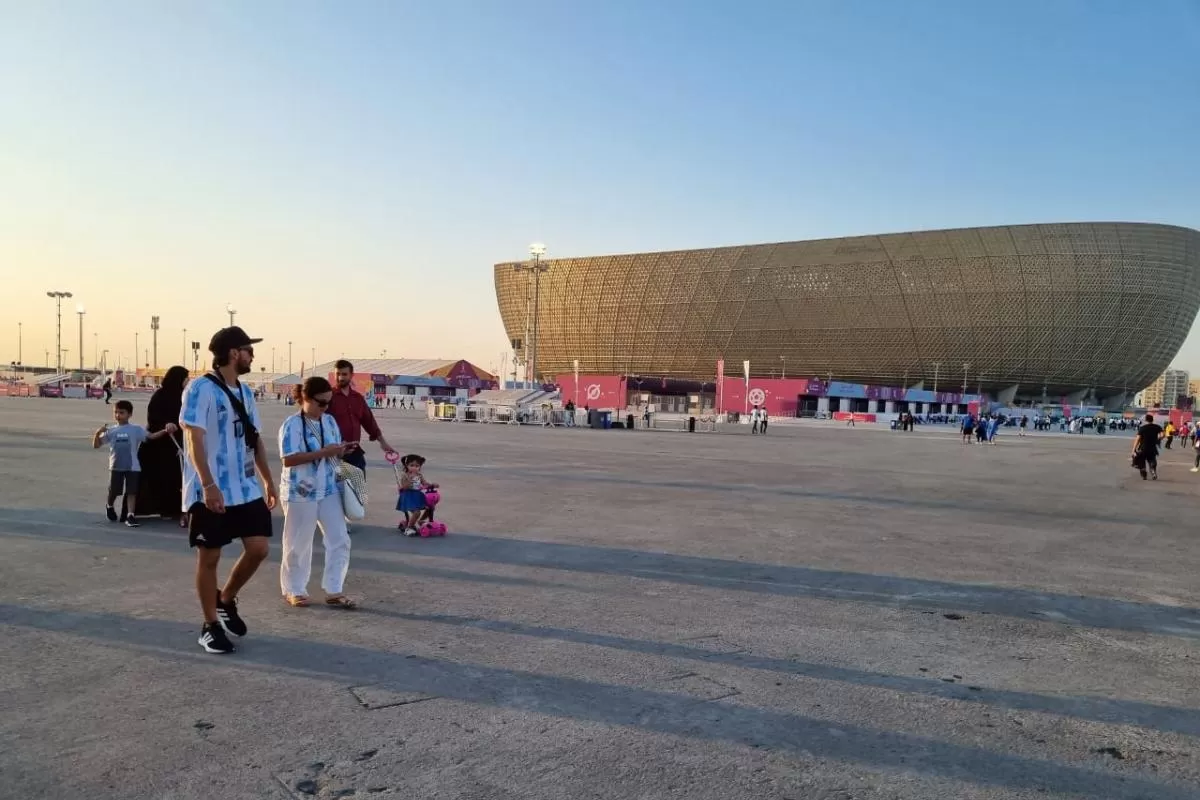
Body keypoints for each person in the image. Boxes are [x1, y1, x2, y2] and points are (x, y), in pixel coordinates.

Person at [181, 326, 278, 655]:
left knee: (259, 548)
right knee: (210, 558)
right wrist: (208, 484)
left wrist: (267, 479)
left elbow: (255, 439)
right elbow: (193, 438)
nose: (253, 356)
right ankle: (209, 625)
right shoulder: (201, 389)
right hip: (213, 488)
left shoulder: (246, 393)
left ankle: (225, 599)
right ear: (234, 353)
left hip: (246, 486)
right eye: (249, 350)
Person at [279, 377, 358, 609]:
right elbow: (288, 459)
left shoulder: (330, 421)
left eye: (328, 403)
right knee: (298, 543)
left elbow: (332, 452)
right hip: (300, 490)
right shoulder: (292, 424)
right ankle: (294, 588)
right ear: (305, 398)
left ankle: (334, 589)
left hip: (329, 487)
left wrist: (341, 451)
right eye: (321, 403)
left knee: (340, 539)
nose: (325, 408)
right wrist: (324, 452)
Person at [92, 399, 177, 527]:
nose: (118, 415)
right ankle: (109, 505)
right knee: (114, 491)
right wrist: (98, 433)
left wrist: (166, 431)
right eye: (116, 412)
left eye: (122, 412)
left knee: (132, 491)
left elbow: (151, 436)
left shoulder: (135, 429)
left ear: (129, 414)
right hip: (116, 466)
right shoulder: (111, 431)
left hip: (133, 466)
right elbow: (96, 445)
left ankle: (130, 515)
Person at [136, 366, 190, 526]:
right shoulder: (160, 395)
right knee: (163, 476)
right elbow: (153, 417)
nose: (188, 380)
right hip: (160, 444)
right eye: (185, 377)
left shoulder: (186, 396)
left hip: (179, 442)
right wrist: (165, 424)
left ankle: (178, 508)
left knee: (178, 477)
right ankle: (164, 508)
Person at [328, 359, 397, 474]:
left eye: (344, 374)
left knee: (359, 490)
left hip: (355, 455)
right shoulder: (329, 397)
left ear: (351, 375)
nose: (340, 378)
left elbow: (369, 422)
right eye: (337, 374)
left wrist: (383, 442)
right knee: (338, 491)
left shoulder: (358, 399)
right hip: (334, 455)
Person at [396, 453, 438, 536]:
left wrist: (432, 485)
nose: (414, 468)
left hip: (418, 496)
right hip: (408, 496)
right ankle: (409, 527)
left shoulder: (419, 475)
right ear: (407, 465)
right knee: (417, 512)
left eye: (417, 466)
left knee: (430, 507)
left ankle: (421, 520)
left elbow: (425, 483)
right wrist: (409, 481)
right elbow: (404, 486)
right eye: (412, 465)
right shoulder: (405, 475)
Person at [1132, 413, 1163, 481]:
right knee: (1152, 460)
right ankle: (1153, 470)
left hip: (1143, 448)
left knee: (1141, 462)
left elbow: (1137, 439)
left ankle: (1144, 476)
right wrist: (1158, 439)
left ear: (1146, 420)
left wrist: (1133, 450)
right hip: (1152, 448)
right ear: (1152, 420)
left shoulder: (1142, 428)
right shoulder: (1157, 427)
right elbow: (1162, 435)